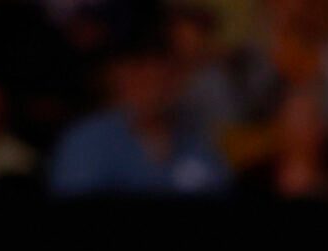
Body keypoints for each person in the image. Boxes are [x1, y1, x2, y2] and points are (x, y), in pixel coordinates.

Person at [50, 33, 232, 196]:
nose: (152, 87)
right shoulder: (87, 142)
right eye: (140, 74)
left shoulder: (197, 143)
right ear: (117, 78)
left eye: (163, 74)